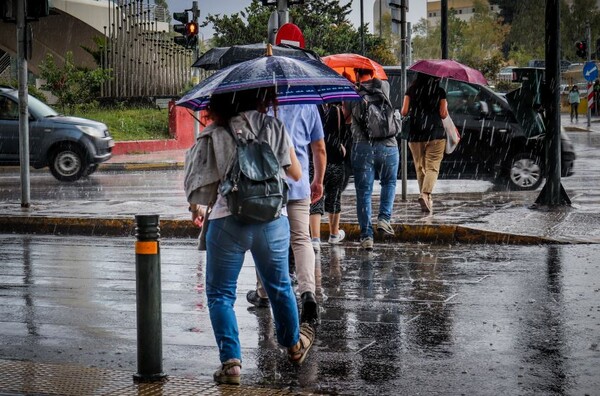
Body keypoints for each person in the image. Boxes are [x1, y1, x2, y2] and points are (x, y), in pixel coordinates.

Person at [184, 87, 315, 385]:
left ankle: (231, 363)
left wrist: (196, 209)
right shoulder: (273, 125)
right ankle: (293, 345)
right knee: (280, 285)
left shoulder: (213, 133)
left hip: (226, 221)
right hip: (271, 221)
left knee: (220, 295)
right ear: (259, 96)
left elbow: (200, 186)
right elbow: (295, 174)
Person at [246, 103, 326, 327]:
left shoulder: (263, 106)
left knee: (266, 239)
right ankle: (308, 292)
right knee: (301, 239)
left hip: (269, 185)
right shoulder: (308, 106)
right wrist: (318, 180)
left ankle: (263, 293)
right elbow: (318, 147)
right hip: (299, 183)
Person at [347, 68, 399, 251]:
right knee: (389, 182)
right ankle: (384, 218)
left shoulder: (352, 92)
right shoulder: (384, 86)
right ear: (373, 71)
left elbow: (346, 119)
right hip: (389, 145)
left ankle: (366, 236)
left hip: (363, 146)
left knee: (364, 192)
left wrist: (350, 87)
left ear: (356, 73)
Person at [400, 73, 448, 213]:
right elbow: (443, 114)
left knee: (420, 167)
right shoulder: (440, 91)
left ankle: (426, 197)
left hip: (415, 134)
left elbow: (404, 111)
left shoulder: (411, 90)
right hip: (436, 133)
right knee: (432, 167)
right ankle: (425, 194)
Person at [309, 102, 352, 252]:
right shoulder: (337, 111)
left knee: (315, 199)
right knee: (334, 197)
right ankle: (334, 234)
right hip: (335, 159)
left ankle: (315, 239)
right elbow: (344, 133)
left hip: (315, 161)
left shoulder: (311, 109)